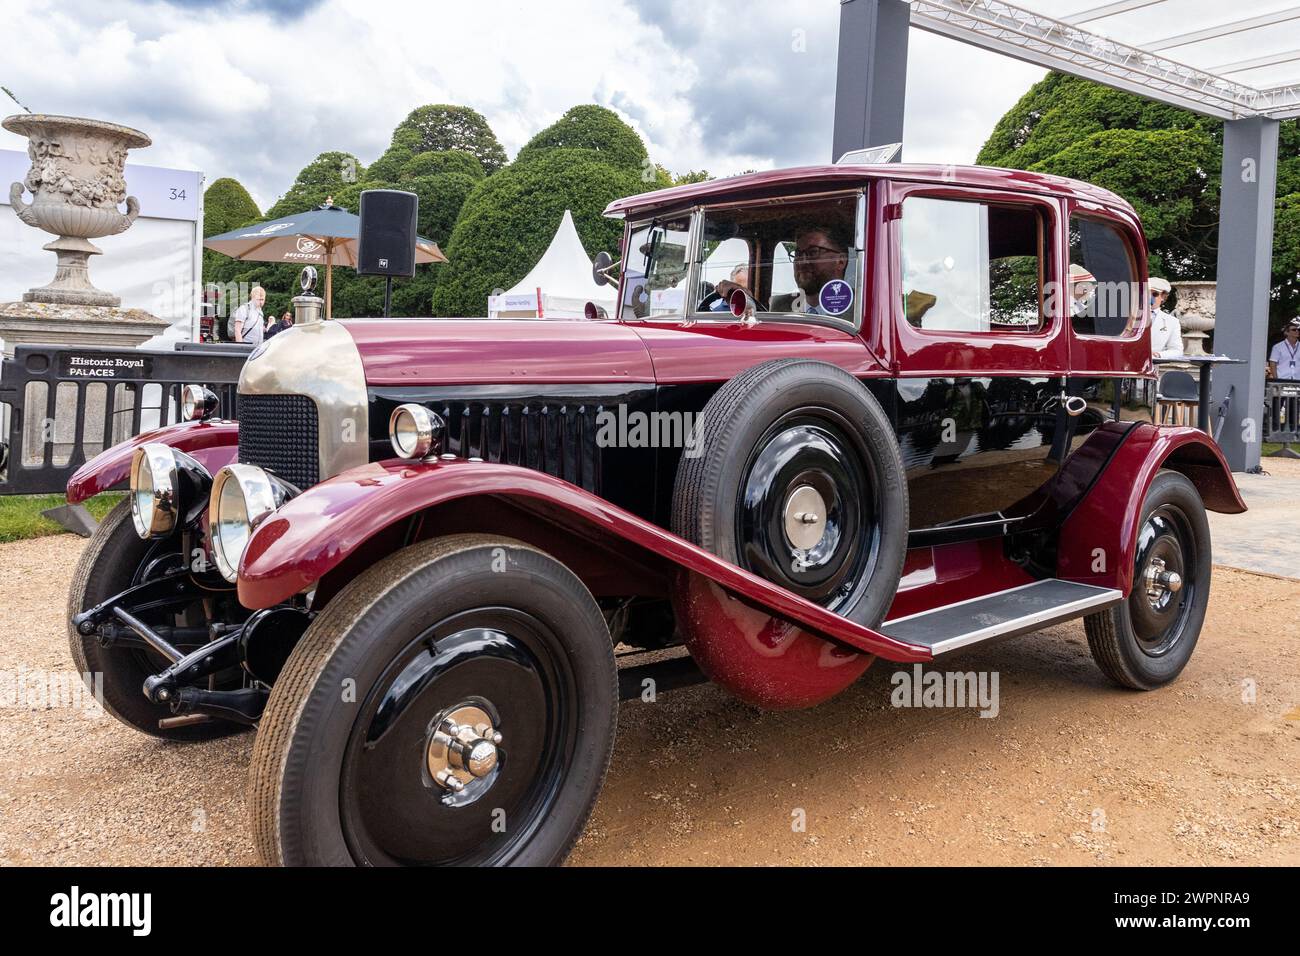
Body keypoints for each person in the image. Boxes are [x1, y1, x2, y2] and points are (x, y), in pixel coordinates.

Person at [770, 225, 850, 314]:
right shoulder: (781, 306)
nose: (802, 262)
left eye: (813, 252)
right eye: (798, 254)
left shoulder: (859, 309)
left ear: (841, 261)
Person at [1148, 276, 1183, 359]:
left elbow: (1177, 350)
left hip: (1152, 367)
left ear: (1163, 297)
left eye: (1155, 294)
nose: (1149, 297)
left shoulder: (1172, 322)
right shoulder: (1129, 317)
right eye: (1146, 293)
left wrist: (1159, 355)